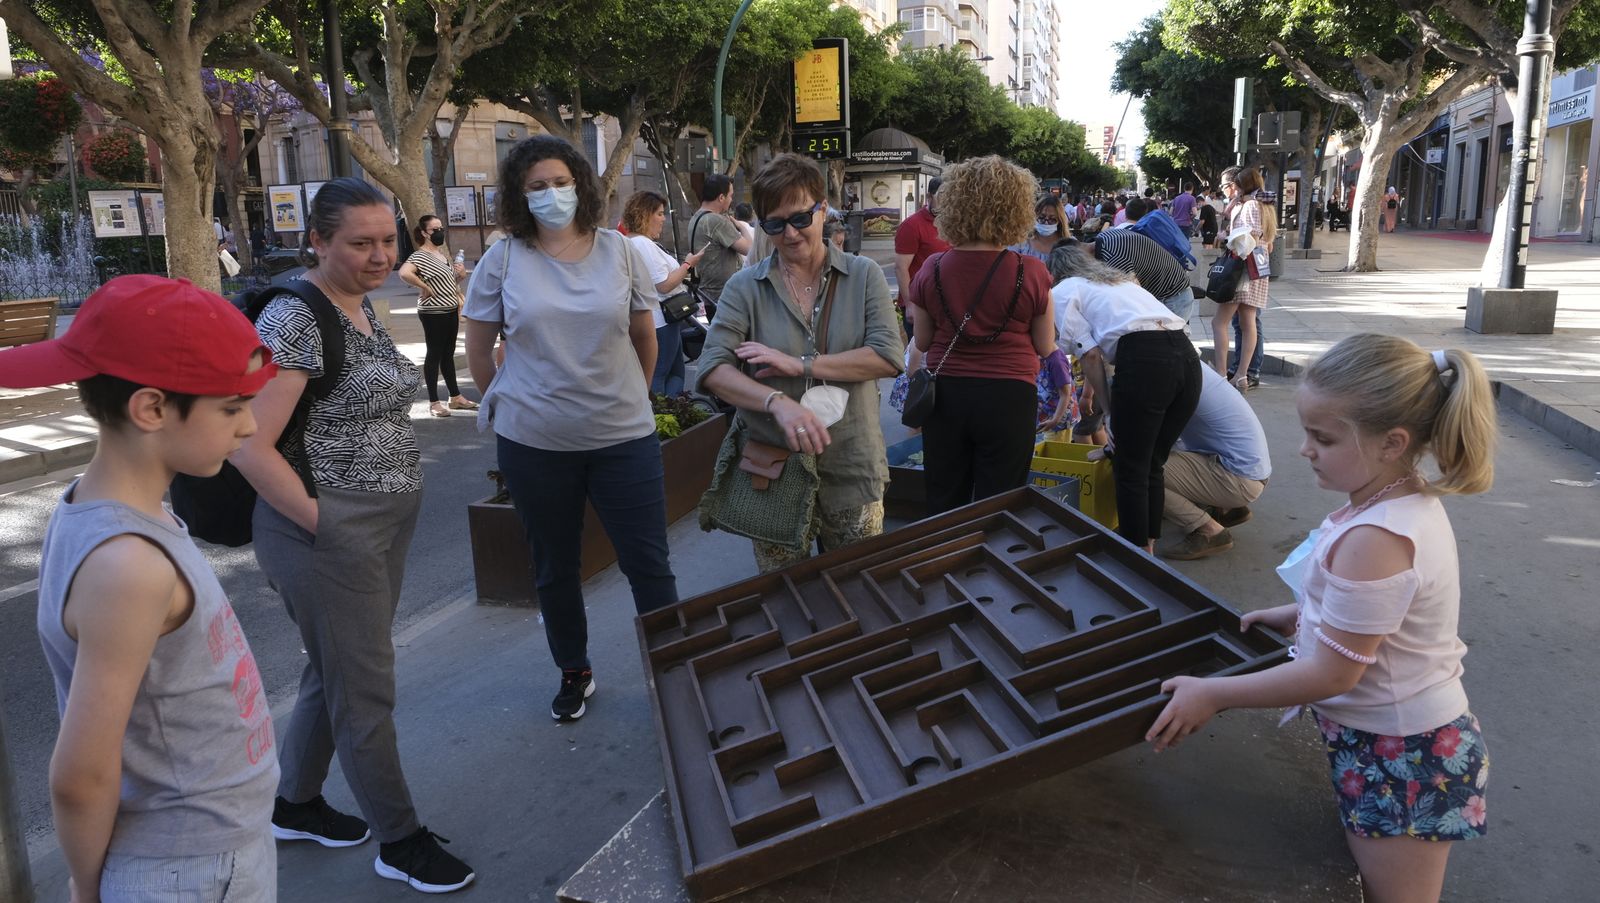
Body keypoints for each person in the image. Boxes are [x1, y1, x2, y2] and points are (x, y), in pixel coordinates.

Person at [1147, 334, 1496, 903]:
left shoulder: (1378, 538)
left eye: (1323, 437)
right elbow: (1381, 613)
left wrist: (1214, 694)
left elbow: (1334, 675)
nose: (1304, 448)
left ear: (1392, 443)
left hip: (1404, 755)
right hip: (1383, 737)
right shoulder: (1388, 504)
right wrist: (1302, 613)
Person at [0, 276, 278, 903]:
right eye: (232, 407)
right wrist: (87, 886)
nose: (249, 427)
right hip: (188, 867)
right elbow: (82, 773)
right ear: (151, 409)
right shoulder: (128, 565)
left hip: (206, 846)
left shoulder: (107, 509)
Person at [233, 178, 475, 894]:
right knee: (364, 688)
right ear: (318, 241)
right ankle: (400, 840)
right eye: (360, 243)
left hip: (378, 521)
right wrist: (327, 525)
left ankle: (295, 802)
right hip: (328, 529)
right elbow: (250, 445)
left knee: (332, 669)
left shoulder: (356, 303)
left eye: (387, 241)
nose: (379, 255)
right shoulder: (297, 318)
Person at [464, 135, 676, 722]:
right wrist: (506, 405)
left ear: (581, 184)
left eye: (560, 182)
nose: (551, 194)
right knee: (554, 568)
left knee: (648, 564)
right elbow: (479, 349)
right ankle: (574, 670)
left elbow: (644, 336)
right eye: (536, 187)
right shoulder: (503, 259)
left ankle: (675, 670)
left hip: (623, 439)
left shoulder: (621, 252)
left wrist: (631, 396)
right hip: (535, 445)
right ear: (518, 195)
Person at [698, 153, 903, 571]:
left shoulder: (864, 276)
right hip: (774, 471)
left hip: (851, 467)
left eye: (800, 218)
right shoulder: (745, 287)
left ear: (823, 209)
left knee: (859, 590)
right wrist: (776, 400)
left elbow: (886, 357)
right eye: (774, 224)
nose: (789, 234)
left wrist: (801, 365)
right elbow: (713, 370)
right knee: (785, 599)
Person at [907, 156, 1055, 516]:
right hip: (1010, 394)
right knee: (1001, 505)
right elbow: (1045, 345)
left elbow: (922, 341)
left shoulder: (933, 267)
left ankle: (944, 565)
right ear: (1017, 210)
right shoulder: (1031, 271)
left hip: (947, 396)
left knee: (944, 499)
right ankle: (993, 570)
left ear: (953, 206)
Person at [1049, 243, 1199, 553]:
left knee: (1129, 466)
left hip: (1146, 358)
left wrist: (1108, 411)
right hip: (1185, 355)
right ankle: (1149, 550)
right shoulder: (1117, 281)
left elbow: (1089, 356)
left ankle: (1137, 560)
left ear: (1055, 272)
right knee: (1153, 463)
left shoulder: (1064, 289)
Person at [1157, 367, 1271, 560]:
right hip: (1253, 471)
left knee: (1139, 469)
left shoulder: (1164, 375)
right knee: (1169, 452)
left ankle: (1210, 531)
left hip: (1239, 479)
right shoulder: (1190, 365)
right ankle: (1226, 509)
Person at [622, 190, 707, 395]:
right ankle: (662, 417)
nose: (663, 219)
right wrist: (688, 264)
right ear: (645, 215)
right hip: (660, 321)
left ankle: (672, 414)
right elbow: (664, 284)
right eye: (659, 214)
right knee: (661, 374)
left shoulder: (635, 242)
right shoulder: (642, 244)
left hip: (664, 320)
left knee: (675, 372)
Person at [398, 215, 476, 418]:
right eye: (435, 229)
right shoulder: (419, 256)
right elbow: (405, 272)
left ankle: (455, 397)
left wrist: (460, 276)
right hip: (433, 311)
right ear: (424, 233)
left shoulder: (441, 255)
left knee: (448, 353)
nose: (440, 232)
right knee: (434, 353)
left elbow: (449, 282)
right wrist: (424, 287)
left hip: (450, 309)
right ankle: (433, 401)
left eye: (441, 228)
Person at [1213, 166, 1267, 390]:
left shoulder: (1251, 205)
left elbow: (1252, 235)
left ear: (1239, 185)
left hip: (1241, 269)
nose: (1229, 189)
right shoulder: (1257, 204)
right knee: (1248, 322)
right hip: (1253, 269)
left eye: (1229, 185)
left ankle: (1222, 374)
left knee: (1220, 322)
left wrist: (1227, 236)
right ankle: (1242, 375)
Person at [1089, 228, 1195, 321]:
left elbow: (1135, 298)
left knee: (1164, 342)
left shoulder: (1113, 258)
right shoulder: (1106, 235)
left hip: (1172, 299)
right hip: (1173, 292)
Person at [687, 173, 752, 313]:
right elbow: (750, 249)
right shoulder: (717, 221)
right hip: (725, 298)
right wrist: (741, 226)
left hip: (709, 296)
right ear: (721, 197)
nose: (731, 200)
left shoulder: (696, 218)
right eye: (730, 196)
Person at [893, 178, 950, 336]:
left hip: (946, 303)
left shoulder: (953, 224)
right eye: (942, 197)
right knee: (920, 357)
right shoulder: (912, 226)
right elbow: (900, 267)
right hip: (921, 305)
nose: (947, 203)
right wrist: (910, 304)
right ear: (929, 197)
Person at [1010, 194, 1067, 262]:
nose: (1046, 223)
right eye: (1041, 217)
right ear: (1034, 217)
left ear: (1060, 221)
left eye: (1052, 219)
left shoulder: (1069, 245)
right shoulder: (1021, 243)